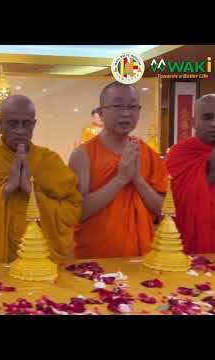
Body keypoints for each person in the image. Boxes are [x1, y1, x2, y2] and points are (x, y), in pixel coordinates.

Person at [0, 95, 82, 264]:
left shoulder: (49, 161)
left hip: (42, 258)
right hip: (1, 260)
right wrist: (8, 188)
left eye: (26, 124)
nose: (20, 130)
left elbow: (73, 209)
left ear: (34, 125)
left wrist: (30, 191)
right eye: (13, 124)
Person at [69, 82, 168, 259]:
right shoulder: (82, 155)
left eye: (132, 107)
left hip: (143, 256)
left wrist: (137, 179)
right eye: (117, 106)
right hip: (96, 259)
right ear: (101, 113)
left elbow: (164, 209)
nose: (126, 113)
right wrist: (120, 179)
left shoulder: (148, 154)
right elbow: (77, 212)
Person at [166, 94, 215, 253]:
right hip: (191, 245)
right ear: (194, 122)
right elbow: (175, 203)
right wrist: (214, 166)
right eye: (207, 118)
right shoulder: (179, 154)